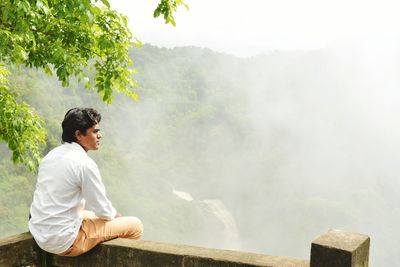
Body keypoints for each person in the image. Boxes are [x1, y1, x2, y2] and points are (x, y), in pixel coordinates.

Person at [29, 107, 143, 256]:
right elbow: (103, 210)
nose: (100, 135)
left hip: (40, 234)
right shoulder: (84, 164)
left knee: (89, 214)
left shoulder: (51, 156)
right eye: (95, 131)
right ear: (79, 135)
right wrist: (116, 216)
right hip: (64, 242)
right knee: (135, 225)